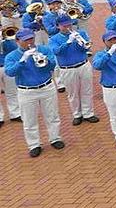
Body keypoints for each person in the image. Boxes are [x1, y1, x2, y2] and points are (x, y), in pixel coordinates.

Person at [4, 29, 63, 157]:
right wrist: (22, 60)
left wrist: (46, 61)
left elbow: (53, 65)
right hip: (26, 91)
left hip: (46, 87)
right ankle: (34, 144)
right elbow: (10, 72)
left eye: (31, 38)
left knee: (52, 115)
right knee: (29, 119)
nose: (30, 42)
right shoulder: (12, 56)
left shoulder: (43, 49)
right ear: (18, 41)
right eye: (26, 40)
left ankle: (55, 138)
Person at [49, 15, 99, 126]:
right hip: (68, 69)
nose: (68, 27)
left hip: (83, 65)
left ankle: (88, 113)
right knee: (73, 93)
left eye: (69, 24)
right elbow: (56, 52)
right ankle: (77, 114)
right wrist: (68, 42)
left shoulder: (80, 33)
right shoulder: (53, 39)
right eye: (64, 25)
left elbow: (87, 47)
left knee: (87, 90)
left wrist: (80, 42)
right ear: (58, 26)